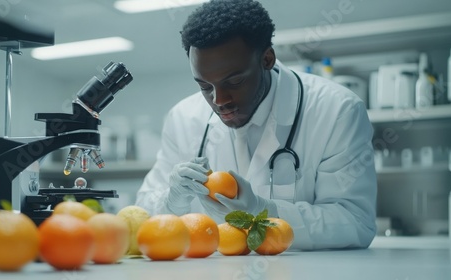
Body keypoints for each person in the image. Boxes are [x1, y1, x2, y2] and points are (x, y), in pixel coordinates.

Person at [135, 0, 377, 250]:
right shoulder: (183, 118)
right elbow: (142, 214)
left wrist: (265, 210)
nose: (219, 101)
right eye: (205, 87)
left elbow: (356, 222)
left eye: (235, 81)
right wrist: (172, 200)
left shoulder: (336, 110)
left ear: (267, 59)